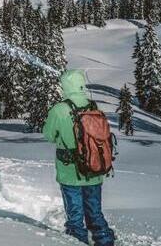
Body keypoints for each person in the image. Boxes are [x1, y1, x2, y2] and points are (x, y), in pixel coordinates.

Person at [42, 69, 116, 246]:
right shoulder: (92, 106)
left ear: (65, 86)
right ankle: (105, 240)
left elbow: (48, 135)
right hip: (94, 169)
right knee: (95, 212)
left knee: (75, 216)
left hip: (70, 173)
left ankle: (77, 242)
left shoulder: (59, 109)